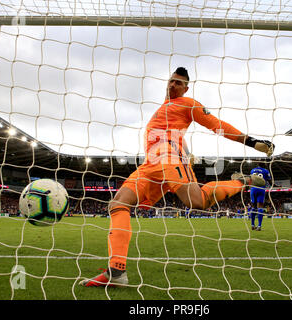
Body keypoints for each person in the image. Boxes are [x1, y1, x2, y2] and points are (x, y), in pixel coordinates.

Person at [79, 67, 275, 287]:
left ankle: (242, 181)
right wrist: (188, 151)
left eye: (178, 83)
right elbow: (175, 132)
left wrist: (251, 142)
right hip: (150, 165)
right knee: (117, 204)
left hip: (170, 159)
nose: (173, 85)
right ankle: (116, 272)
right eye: (171, 81)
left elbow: (216, 126)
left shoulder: (188, 104)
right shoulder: (163, 107)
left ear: (186, 88)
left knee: (197, 202)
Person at [249, 166, 272, 231]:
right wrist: (274, 185)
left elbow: (250, 180)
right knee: (260, 207)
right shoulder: (265, 170)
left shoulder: (252, 170)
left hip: (253, 189)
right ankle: (259, 226)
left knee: (253, 207)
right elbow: (269, 181)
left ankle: (252, 225)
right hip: (261, 189)